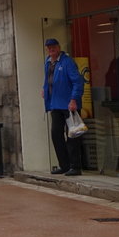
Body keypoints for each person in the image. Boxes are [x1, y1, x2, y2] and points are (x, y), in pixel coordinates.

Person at [43, 38, 85, 176]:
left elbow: (77, 82)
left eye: (53, 47)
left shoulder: (67, 62)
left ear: (59, 47)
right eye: (49, 48)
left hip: (69, 105)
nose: (51, 49)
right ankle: (64, 165)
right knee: (56, 134)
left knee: (73, 135)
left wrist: (74, 99)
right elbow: (47, 79)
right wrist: (45, 89)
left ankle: (75, 166)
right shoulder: (48, 62)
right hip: (55, 104)